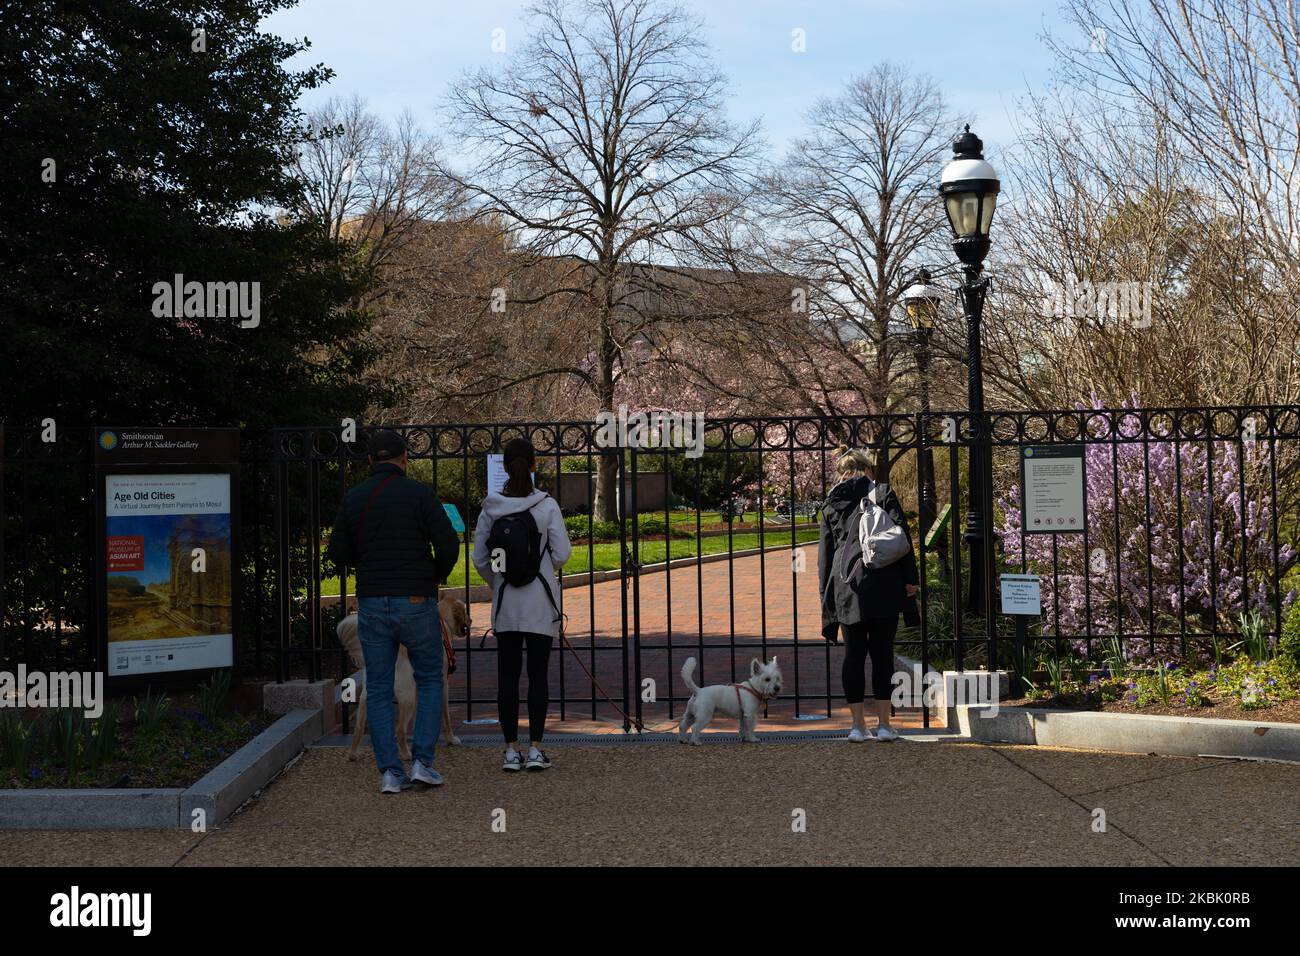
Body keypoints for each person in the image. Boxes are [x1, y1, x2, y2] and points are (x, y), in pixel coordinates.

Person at [328, 429, 460, 793]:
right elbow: (449, 543)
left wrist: (368, 560)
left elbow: (337, 552)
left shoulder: (355, 499)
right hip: (416, 600)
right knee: (431, 677)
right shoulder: (419, 495)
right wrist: (434, 575)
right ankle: (422, 762)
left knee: (381, 684)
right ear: (404, 459)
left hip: (372, 601)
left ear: (370, 461)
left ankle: (389, 772)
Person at [472, 438, 571, 772]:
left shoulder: (491, 507)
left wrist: (499, 579)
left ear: (503, 466)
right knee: (538, 675)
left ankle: (510, 749)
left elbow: (479, 558)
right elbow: (563, 553)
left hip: (506, 605)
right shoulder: (547, 506)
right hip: (540, 603)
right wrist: (542, 568)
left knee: (508, 677)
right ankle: (536, 748)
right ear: (533, 464)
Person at [817, 445, 920, 742]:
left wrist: (827, 595)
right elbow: (902, 539)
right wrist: (909, 580)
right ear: (867, 468)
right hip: (884, 581)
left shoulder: (830, 504)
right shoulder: (883, 493)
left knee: (853, 656)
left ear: (841, 472)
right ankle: (885, 725)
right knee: (882, 655)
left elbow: (826, 555)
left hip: (847, 585)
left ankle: (857, 726)